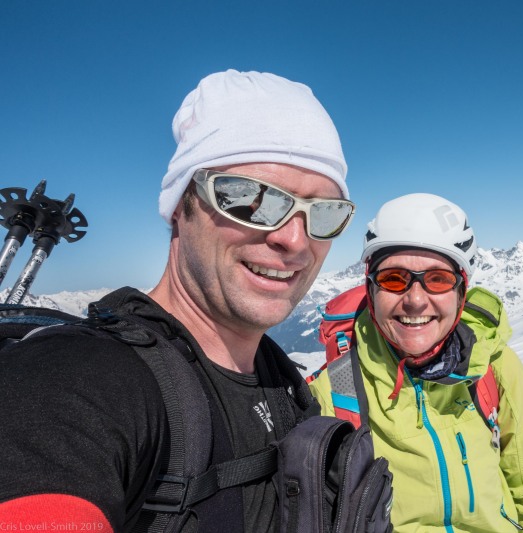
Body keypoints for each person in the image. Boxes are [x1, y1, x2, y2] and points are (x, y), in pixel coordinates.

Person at [0, 70, 355, 531]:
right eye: (249, 199)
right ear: (179, 207)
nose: (294, 239)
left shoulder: (283, 381)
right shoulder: (77, 379)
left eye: (325, 213)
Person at [308, 193, 523, 532]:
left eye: (438, 279)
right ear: (371, 289)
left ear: (461, 291)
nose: (415, 300)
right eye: (393, 278)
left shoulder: (492, 366)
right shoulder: (335, 391)